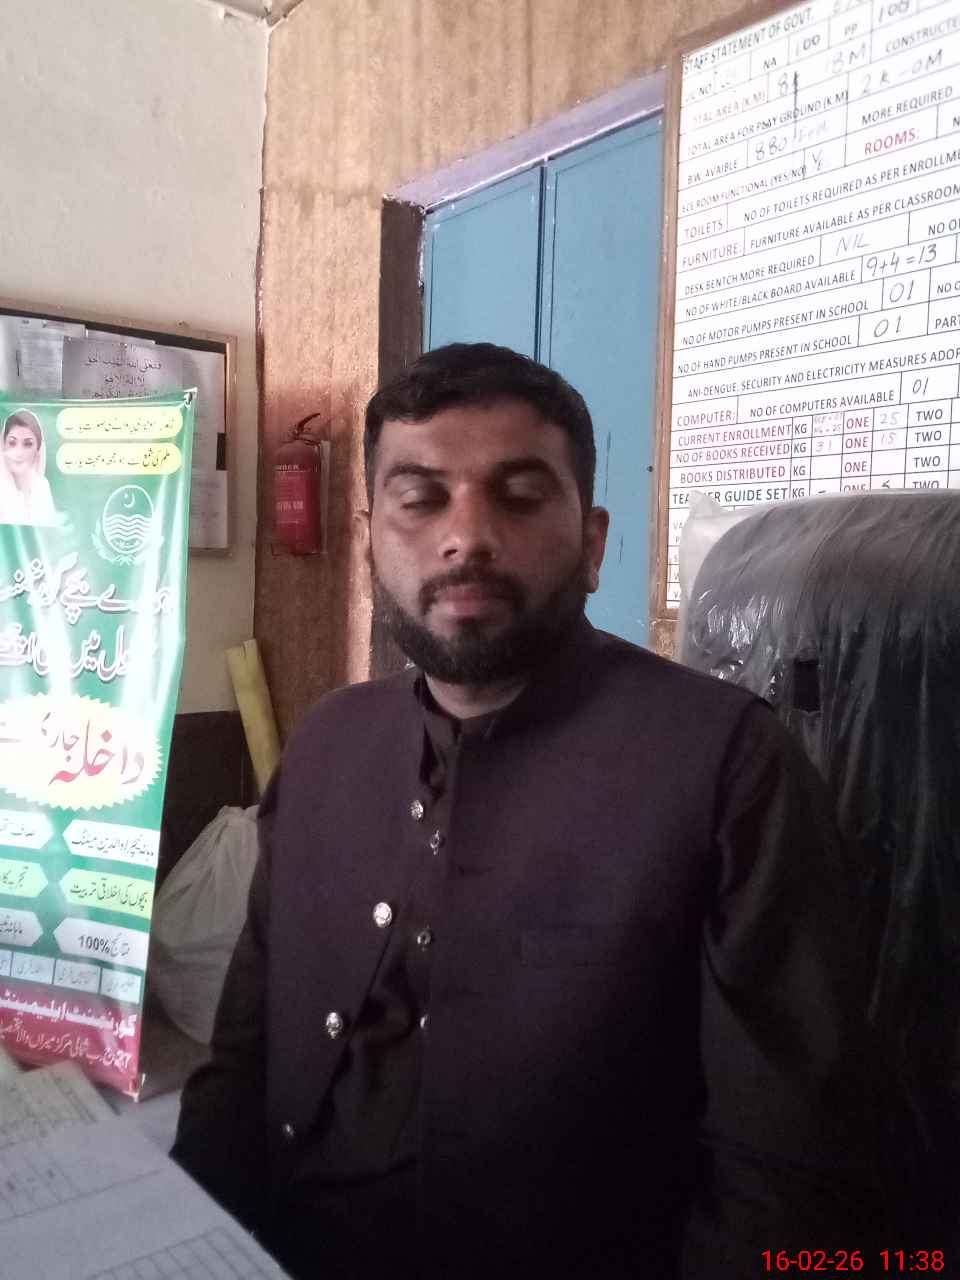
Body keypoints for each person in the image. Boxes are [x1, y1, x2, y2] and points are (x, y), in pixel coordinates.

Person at [174, 344, 881, 1278]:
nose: (466, 537)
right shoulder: (328, 744)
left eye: (518, 496)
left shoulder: (729, 767)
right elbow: (242, 1054)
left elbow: (783, 1173)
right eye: (421, 498)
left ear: (592, 544)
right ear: (372, 539)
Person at [0, 409, 57, 525]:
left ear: (38, 449)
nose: (19, 452)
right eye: (12, 443)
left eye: (27, 444)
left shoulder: (42, 486)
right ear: (3, 445)